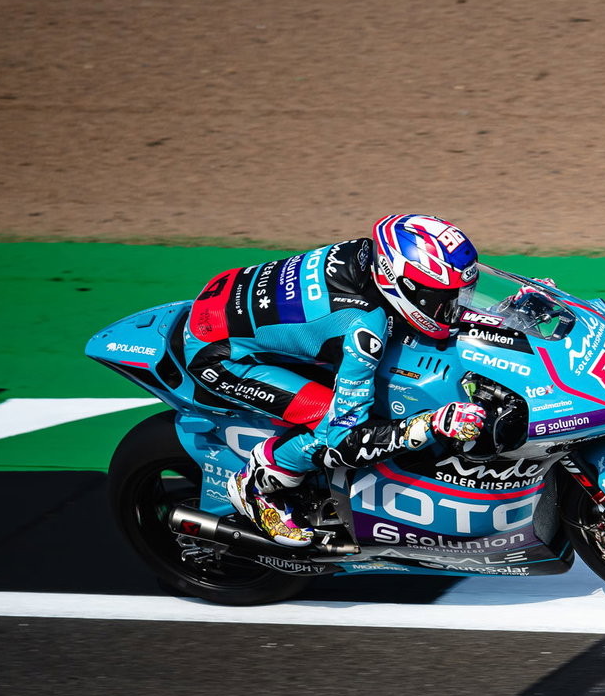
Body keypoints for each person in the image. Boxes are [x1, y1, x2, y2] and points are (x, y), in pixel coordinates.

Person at [182, 214, 488, 546]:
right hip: (221, 355)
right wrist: (432, 424)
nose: (456, 307)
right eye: (445, 298)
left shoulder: (368, 252)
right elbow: (344, 440)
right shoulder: (362, 330)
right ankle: (254, 485)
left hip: (228, 297)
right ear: (403, 284)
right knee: (328, 423)